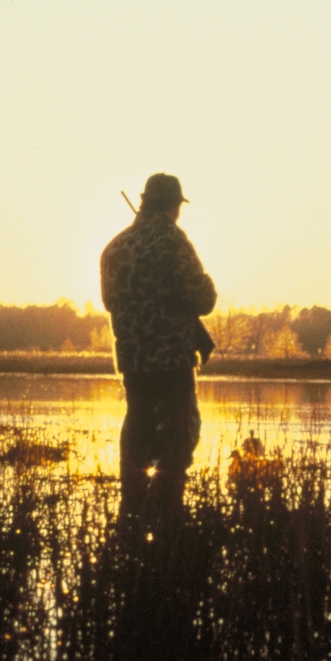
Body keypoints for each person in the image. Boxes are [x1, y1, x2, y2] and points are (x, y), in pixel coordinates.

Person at [100, 173, 217, 522]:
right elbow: (203, 299)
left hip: (133, 362)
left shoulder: (115, 247)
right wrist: (207, 285)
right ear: (173, 206)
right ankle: (166, 509)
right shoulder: (172, 240)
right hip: (172, 361)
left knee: (137, 430)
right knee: (180, 433)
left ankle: (133, 510)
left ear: (144, 201)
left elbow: (109, 302)